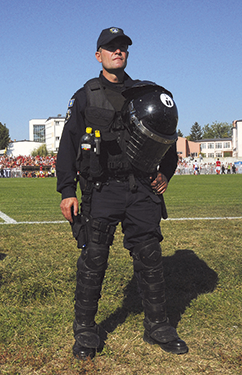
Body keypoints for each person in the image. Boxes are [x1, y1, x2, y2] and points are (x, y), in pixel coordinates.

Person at [55, 27, 187, 360]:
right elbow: (67, 148)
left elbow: (168, 137)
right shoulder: (86, 95)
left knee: (150, 257)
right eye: (111, 47)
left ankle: (158, 326)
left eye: (123, 47)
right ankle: (85, 330)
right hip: (101, 189)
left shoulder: (146, 93)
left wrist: (166, 174)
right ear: (98, 54)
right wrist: (67, 191)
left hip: (141, 188)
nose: (118, 51)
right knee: (94, 257)